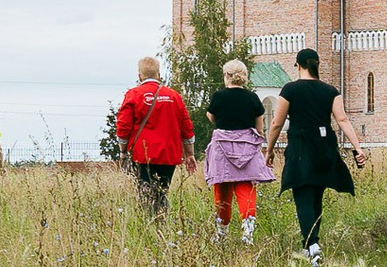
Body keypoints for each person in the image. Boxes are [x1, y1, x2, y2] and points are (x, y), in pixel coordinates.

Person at [263, 47, 363, 264]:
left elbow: (277, 123)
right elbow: (343, 120)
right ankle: (313, 244)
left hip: (301, 147)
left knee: (303, 196)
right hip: (325, 146)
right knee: (317, 194)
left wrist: (269, 150)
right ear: (317, 65)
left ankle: (312, 245)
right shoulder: (330, 91)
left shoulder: (290, 89)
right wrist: (358, 148)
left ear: (298, 65)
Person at [202, 58, 275, 245]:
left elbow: (211, 117)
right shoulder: (252, 98)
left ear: (227, 76)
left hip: (222, 150)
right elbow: (260, 129)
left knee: (222, 189)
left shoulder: (218, 97)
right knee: (246, 190)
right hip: (247, 150)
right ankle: (247, 233)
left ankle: (221, 233)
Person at [114, 57, 194, 216]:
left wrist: (123, 150)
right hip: (169, 155)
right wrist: (190, 153)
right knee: (162, 192)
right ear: (159, 74)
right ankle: (162, 222)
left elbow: (123, 127)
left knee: (145, 193)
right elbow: (187, 127)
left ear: (139, 76)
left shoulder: (133, 95)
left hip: (142, 155)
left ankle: (149, 225)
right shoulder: (174, 96)